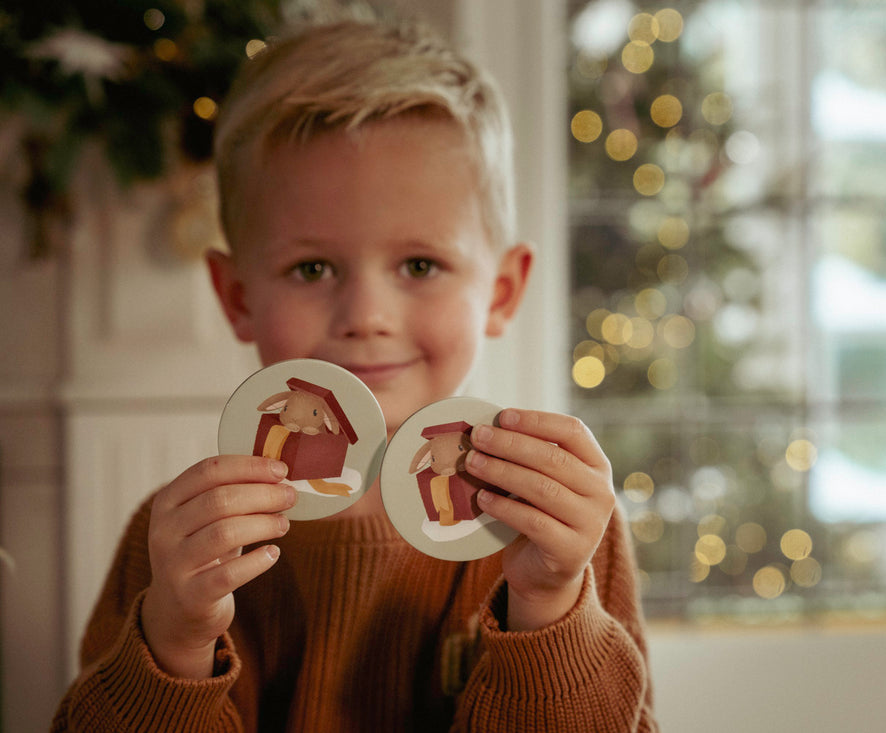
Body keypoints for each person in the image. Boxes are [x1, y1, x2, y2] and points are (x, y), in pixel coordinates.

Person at [51, 15, 656, 733]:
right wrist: (175, 642)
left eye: (420, 265)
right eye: (312, 268)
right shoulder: (182, 540)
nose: (366, 315)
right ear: (237, 297)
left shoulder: (556, 527)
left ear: (501, 291)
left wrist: (548, 606)